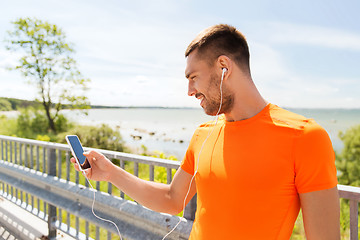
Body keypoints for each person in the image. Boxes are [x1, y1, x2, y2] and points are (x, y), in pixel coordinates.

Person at [71, 24, 340, 239]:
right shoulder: (204, 134)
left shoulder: (304, 137)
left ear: (224, 67)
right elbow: (171, 199)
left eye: (193, 77)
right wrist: (111, 172)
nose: (189, 91)